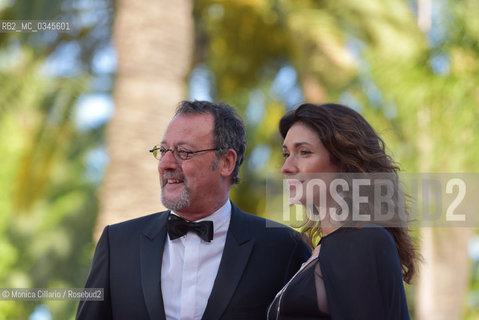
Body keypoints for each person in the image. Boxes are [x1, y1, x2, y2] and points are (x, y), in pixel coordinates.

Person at [76, 100, 310, 320]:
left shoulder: (283, 248)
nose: (165, 164)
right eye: (163, 150)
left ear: (226, 162)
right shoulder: (117, 244)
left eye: (183, 152)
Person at [267, 103, 419, 320]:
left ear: (343, 161)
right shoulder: (327, 247)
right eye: (286, 154)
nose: (287, 167)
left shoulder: (365, 240)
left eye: (304, 152)